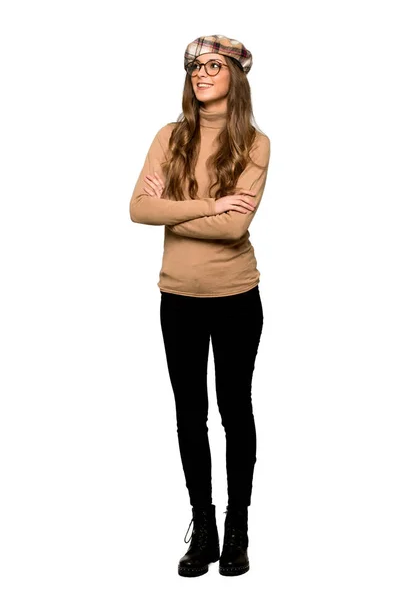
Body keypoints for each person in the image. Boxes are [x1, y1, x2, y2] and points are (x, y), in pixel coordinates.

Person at [129, 34, 271, 577]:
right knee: (190, 415)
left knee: (235, 409)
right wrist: (210, 202)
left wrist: (173, 209)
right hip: (178, 298)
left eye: (214, 64)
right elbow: (139, 209)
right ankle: (203, 527)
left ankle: (238, 527)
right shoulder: (169, 137)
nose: (201, 72)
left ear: (236, 76)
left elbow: (237, 226)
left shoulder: (255, 143)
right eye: (194, 65)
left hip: (237, 297)